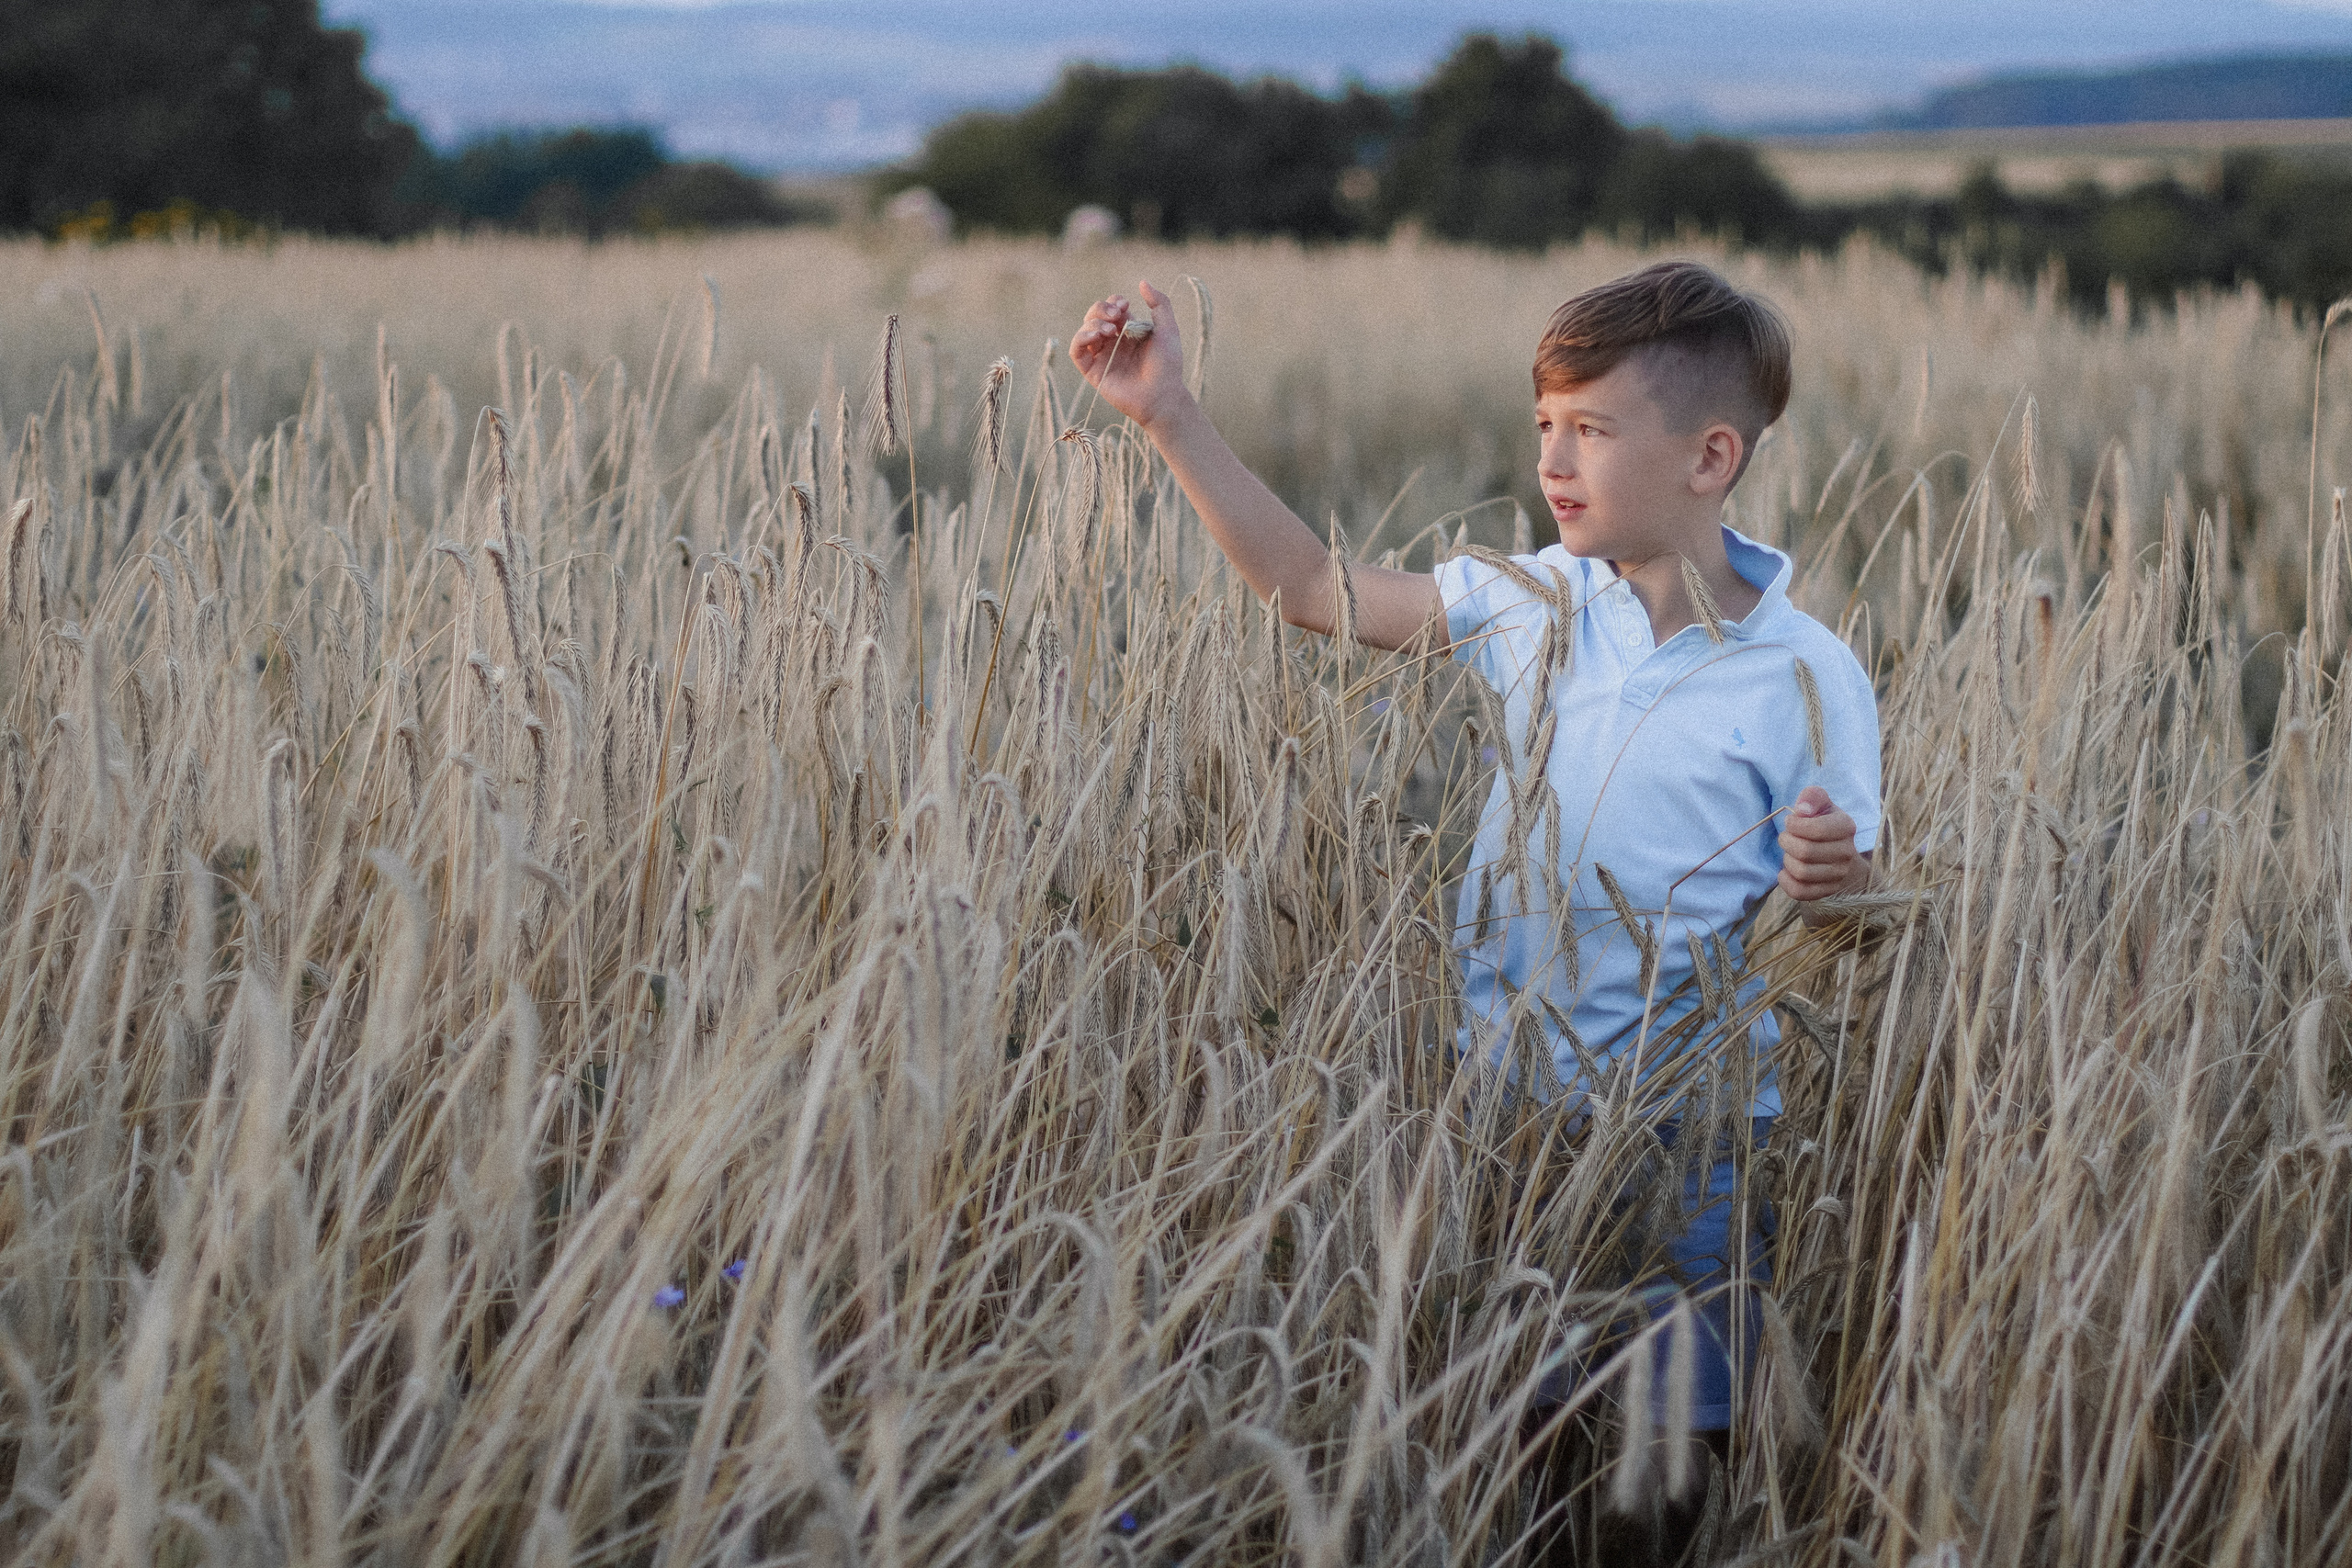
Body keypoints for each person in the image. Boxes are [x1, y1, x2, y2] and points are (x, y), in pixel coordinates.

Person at [1070, 259, 1880, 1562]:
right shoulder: (1532, 602)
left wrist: (1831, 886)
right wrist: (1172, 418)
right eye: (1545, 421)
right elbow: (1313, 591)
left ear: (1711, 455)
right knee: (1525, 1443)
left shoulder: (1806, 675)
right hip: (1505, 1109)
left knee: (1666, 1467)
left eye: (1594, 430)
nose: (1554, 459)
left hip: (1696, 1131)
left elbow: (1840, 936)